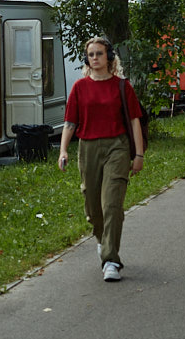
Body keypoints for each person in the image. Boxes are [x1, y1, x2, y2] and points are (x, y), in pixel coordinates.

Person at [58, 36, 144, 282]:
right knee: (93, 209)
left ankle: (110, 260)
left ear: (109, 57)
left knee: (112, 205)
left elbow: (135, 121)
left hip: (117, 146)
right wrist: (63, 150)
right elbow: (70, 122)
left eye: (99, 53)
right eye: (91, 54)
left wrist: (138, 154)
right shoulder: (79, 88)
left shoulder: (122, 87)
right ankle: (103, 240)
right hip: (88, 149)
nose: (94, 58)